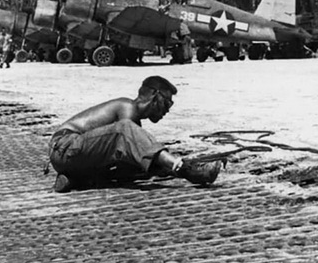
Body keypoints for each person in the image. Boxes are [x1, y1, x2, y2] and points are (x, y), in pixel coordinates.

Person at [48, 75, 222, 193]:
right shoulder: (127, 107)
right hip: (66, 144)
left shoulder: (131, 122)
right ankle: (185, 169)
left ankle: (75, 178)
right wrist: (170, 164)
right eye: (167, 103)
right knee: (130, 140)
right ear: (156, 96)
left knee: (137, 165)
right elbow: (132, 142)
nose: (167, 110)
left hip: (70, 156)